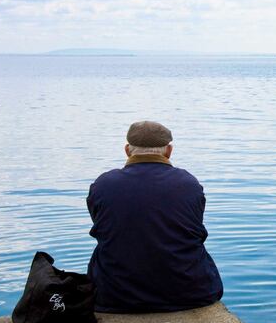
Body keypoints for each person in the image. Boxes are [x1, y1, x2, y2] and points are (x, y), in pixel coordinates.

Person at [87, 121, 223, 313]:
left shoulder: (103, 185)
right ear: (169, 151)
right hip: (191, 292)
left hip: (113, 295)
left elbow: (104, 229)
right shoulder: (188, 184)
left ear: (127, 150)